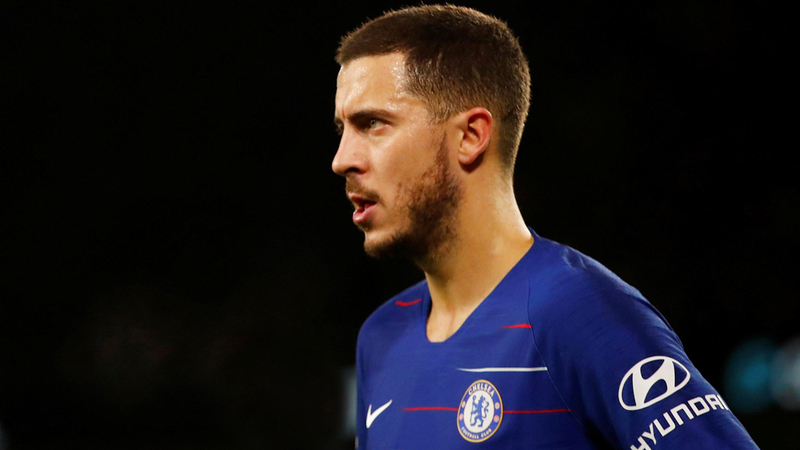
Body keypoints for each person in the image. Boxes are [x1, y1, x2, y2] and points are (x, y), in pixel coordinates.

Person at [332, 5, 758, 449]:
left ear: (471, 136)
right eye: (342, 129)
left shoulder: (580, 314)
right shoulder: (381, 338)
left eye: (372, 124)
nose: (342, 159)